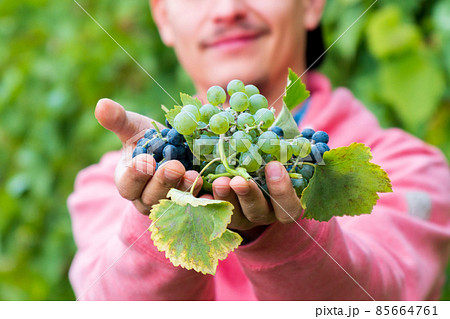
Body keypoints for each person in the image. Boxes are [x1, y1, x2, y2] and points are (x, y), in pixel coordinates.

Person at [68, 0, 450, 300]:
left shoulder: (410, 169)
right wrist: (151, 217)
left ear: (313, 3)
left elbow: (388, 302)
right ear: (163, 17)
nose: (227, 8)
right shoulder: (108, 185)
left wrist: (284, 234)